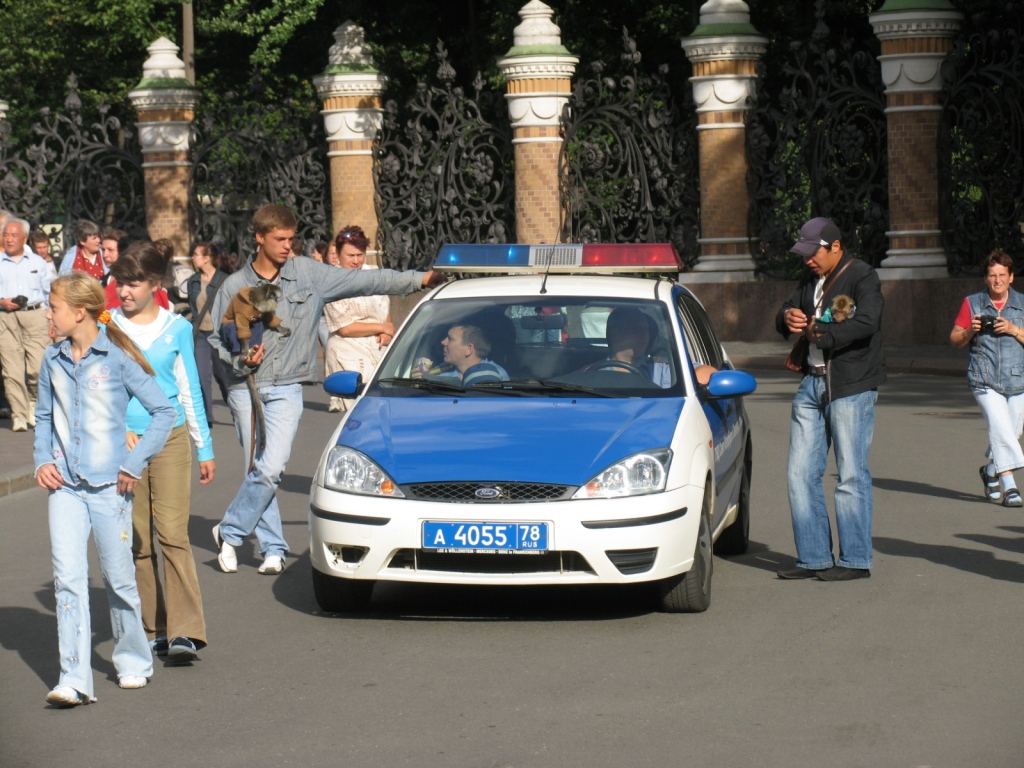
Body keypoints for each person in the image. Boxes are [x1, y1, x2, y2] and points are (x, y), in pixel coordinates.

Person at [208, 204, 444, 575]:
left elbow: (368, 280)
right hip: (246, 386)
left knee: (271, 467)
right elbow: (216, 341)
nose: (288, 246)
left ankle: (231, 529)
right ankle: (272, 546)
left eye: (291, 239)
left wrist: (420, 278)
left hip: (286, 385)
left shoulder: (308, 274)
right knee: (259, 469)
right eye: (279, 239)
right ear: (259, 239)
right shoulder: (235, 286)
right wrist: (241, 362)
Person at [34, 272, 176, 706]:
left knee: (118, 579)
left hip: (110, 489)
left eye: (53, 306)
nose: (48, 313)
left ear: (79, 312)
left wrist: (133, 463)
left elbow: (163, 412)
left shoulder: (115, 359)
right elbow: (43, 417)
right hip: (66, 489)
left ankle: (133, 660)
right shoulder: (51, 359)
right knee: (68, 581)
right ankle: (73, 679)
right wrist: (42, 459)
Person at [109, 242, 216, 662]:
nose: (125, 291)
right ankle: (152, 626)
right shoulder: (106, 326)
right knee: (138, 542)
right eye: (120, 282)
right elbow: (98, 389)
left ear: (155, 284)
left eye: (133, 283)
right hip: (125, 445)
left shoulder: (177, 329)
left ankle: (185, 632)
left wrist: (203, 445)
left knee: (172, 534)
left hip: (169, 437)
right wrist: (119, 430)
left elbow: (189, 389)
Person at [775, 217, 885, 582]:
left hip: (850, 386)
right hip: (812, 384)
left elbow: (868, 321)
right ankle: (814, 557)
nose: (807, 259)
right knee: (799, 474)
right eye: (803, 253)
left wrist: (823, 335)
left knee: (851, 474)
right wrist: (786, 317)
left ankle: (855, 560)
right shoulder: (810, 279)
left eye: (813, 252)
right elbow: (788, 310)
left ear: (835, 246)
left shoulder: (863, 276)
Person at [950, 250, 1024, 507]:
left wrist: (1014, 329)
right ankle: (1010, 486)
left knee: (1012, 432)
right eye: (992, 275)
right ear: (985, 278)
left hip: (1018, 380)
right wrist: (972, 329)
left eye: (1002, 275)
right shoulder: (972, 303)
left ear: (1011, 277)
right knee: (1002, 428)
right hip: (984, 379)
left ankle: (991, 470)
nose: (997, 280)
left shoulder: (1022, 304)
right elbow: (955, 340)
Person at [322, 226, 394, 412]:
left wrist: (388, 328)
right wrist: (382, 327)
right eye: (350, 255)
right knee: (359, 411)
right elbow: (345, 327)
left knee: (382, 407)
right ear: (337, 254)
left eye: (359, 255)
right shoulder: (331, 282)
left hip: (378, 347)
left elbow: (384, 304)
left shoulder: (374, 273)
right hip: (348, 351)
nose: (356, 261)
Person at [1, 216, 53, 432]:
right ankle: (19, 415)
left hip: (34, 317)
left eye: (14, 235)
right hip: (5, 318)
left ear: (24, 238)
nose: (9, 239)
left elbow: (50, 292)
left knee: (36, 368)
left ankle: (33, 402)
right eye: (6, 234)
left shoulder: (38, 263)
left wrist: (53, 317)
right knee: (11, 370)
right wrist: (2, 301)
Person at [186, 242, 232, 427]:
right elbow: (192, 306)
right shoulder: (193, 281)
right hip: (201, 335)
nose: (193, 257)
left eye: (196, 254)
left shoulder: (224, 280)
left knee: (222, 376)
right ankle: (207, 418)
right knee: (201, 376)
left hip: (218, 334)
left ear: (207, 258)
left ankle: (237, 410)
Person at [417, 324, 509, 386]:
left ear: (469, 349)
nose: (443, 342)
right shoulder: (441, 371)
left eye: (450, 339)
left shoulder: (497, 376)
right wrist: (419, 380)